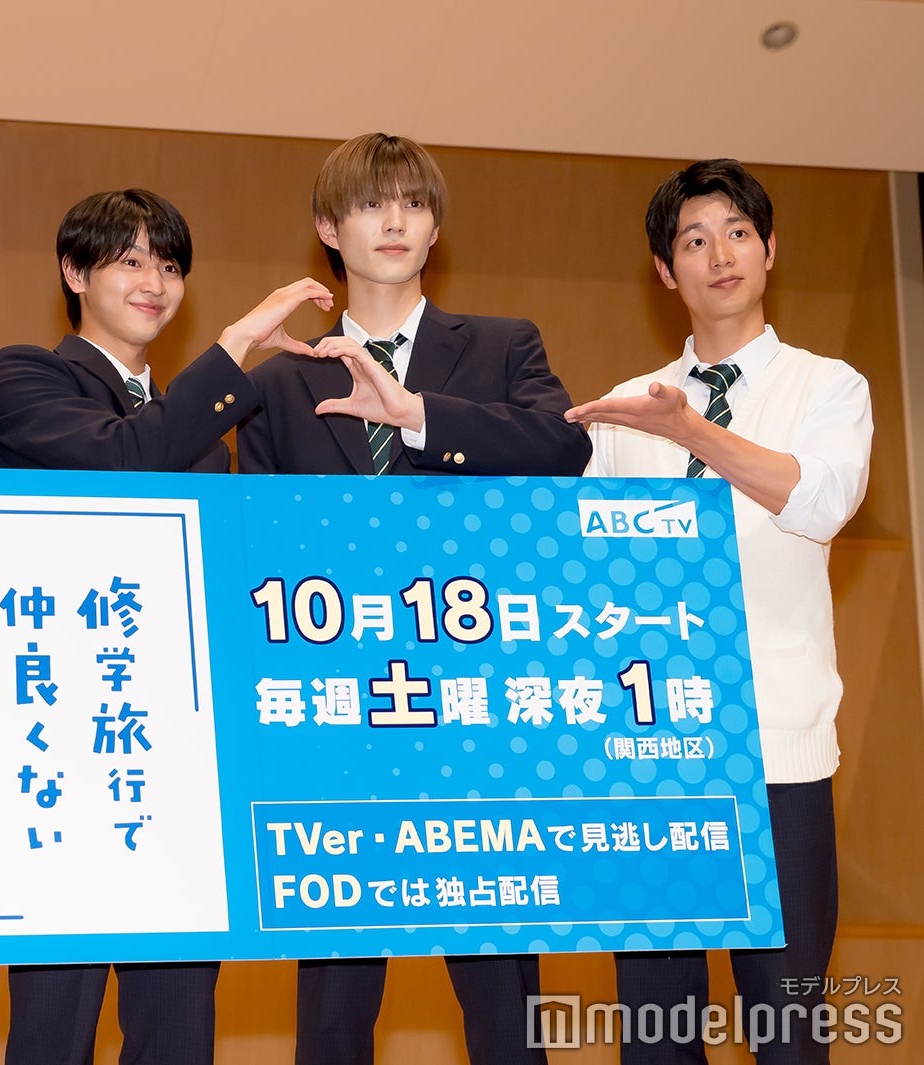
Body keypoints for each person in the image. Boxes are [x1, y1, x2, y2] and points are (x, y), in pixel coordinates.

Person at [237, 132, 591, 1065]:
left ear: (436, 229)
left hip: (478, 705)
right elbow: (257, 549)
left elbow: (565, 449)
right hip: (339, 710)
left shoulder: (504, 346)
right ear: (329, 228)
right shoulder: (283, 380)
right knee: (335, 1003)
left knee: (504, 997)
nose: (394, 221)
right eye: (369, 203)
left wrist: (420, 417)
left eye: (414, 204)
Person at [0, 187, 332, 1065]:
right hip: (62, 735)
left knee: (177, 1018)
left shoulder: (199, 426)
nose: (155, 283)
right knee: (54, 1018)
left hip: (179, 744)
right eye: (131, 261)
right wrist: (237, 345)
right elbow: (124, 456)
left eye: (170, 266)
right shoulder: (26, 375)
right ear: (74, 272)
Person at [565, 159, 871, 1064]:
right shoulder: (623, 411)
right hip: (651, 757)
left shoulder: (828, 386)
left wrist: (691, 430)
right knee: (656, 1031)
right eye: (694, 241)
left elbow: (818, 499)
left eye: (737, 232)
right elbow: (586, 572)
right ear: (667, 272)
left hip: (779, 749)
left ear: (770, 249)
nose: (721, 255)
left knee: (788, 1027)